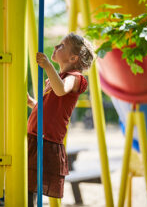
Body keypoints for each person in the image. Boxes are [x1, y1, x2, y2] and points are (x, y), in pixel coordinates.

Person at [27, 32, 95, 206]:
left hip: (46, 140)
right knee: (25, 184)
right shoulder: (55, 80)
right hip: (35, 136)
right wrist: (31, 102)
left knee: (31, 186)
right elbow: (49, 108)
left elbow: (62, 90)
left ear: (73, 58)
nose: (56, 47)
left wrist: (48, 66)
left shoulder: (75, 78)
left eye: (62, 45)